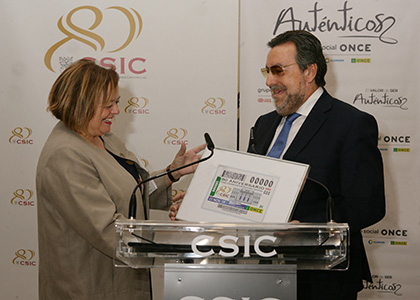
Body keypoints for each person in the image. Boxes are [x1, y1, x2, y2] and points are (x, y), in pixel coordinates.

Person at [36, 59, 206, 300]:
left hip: (120, 278)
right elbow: (108, 229)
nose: (116, 111)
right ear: (82, 104)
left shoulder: (104, 139)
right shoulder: (65, 154)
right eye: (108, 105)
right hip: (90, 287)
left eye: (116, 103)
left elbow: (132, 191)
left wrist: (171, 173)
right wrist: (181, 242)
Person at [247, 30, 386, 300]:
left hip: (322, 278)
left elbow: (368, 205)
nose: (268, 81)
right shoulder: (264, 124)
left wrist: (307, 229)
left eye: (278, 71)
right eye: (267, 71)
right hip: (262, 270)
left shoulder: (351, 123)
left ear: (309, 72)